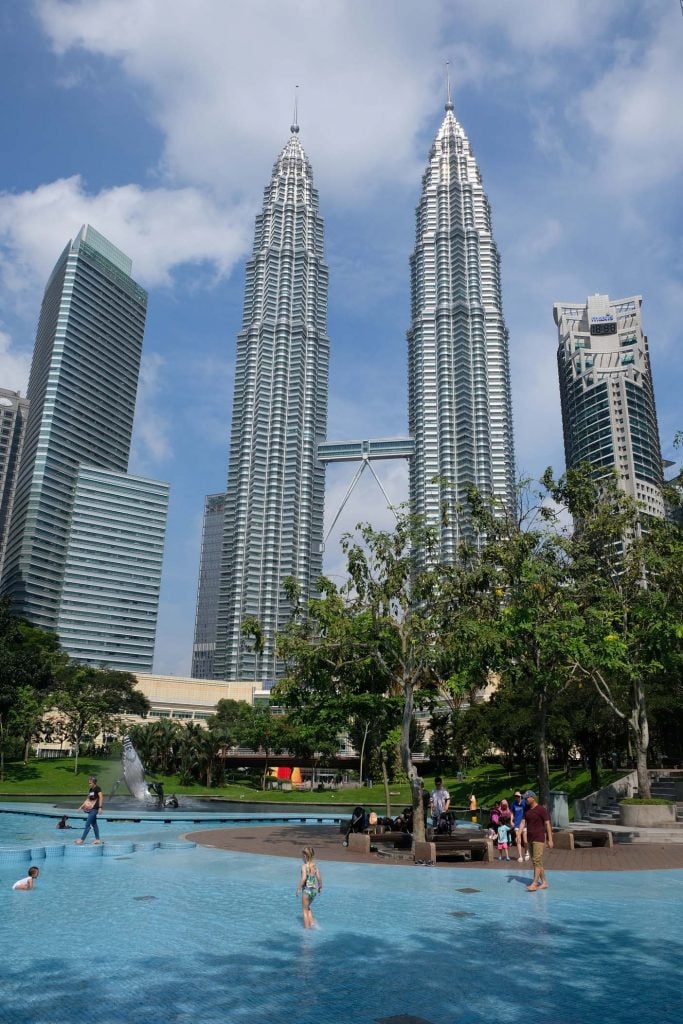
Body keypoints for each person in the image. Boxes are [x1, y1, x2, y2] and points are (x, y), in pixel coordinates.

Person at [519, 790, 553, 891]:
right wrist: (518, 833)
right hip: (530, 838)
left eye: (526, 798)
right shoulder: (527, 810)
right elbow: (523, 822)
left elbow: (547, 824)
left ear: (532, 798)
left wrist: (550, 840)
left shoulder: (541, 810)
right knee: (536, 862)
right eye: (524, 798)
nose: (525, 799)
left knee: (537, 860)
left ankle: (534, 883)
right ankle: (544, 882)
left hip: (539, 838)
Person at [295, 847, 322, 929]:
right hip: (314, 891)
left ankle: (306, 930)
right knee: (308, 908)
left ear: (305, 856)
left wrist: (298, 888)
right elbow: (319, 878)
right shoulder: (315, 867)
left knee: (304, 910)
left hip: (306, 891)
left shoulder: (304, 866)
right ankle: (312, 923)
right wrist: (320, 887)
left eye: (302, 856)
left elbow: (303, 878)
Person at [75, 774, 104, 845]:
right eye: (89, 783)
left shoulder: (98, 788)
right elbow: (88, 799)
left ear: (94, 782)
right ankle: (97, 839)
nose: (89, 784)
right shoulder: (91, 790)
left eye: (90, 783)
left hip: (95, 809)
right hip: (91, 809)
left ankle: (82, 840)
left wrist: (100, 807)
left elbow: (101, 797)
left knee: (87, 825)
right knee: (94, 824)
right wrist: (81, 807)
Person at [510, 790, 529, 862]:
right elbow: (512, 813)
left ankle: (526, 852)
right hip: (517, 824)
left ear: (521, 796)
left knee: (525, 840)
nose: (516, 797)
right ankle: (520, 856)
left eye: (518, 796)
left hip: (524, 823)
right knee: (518, 840)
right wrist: (511, 820)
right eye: (515, 796)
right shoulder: (513, 804)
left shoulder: (524, 802)